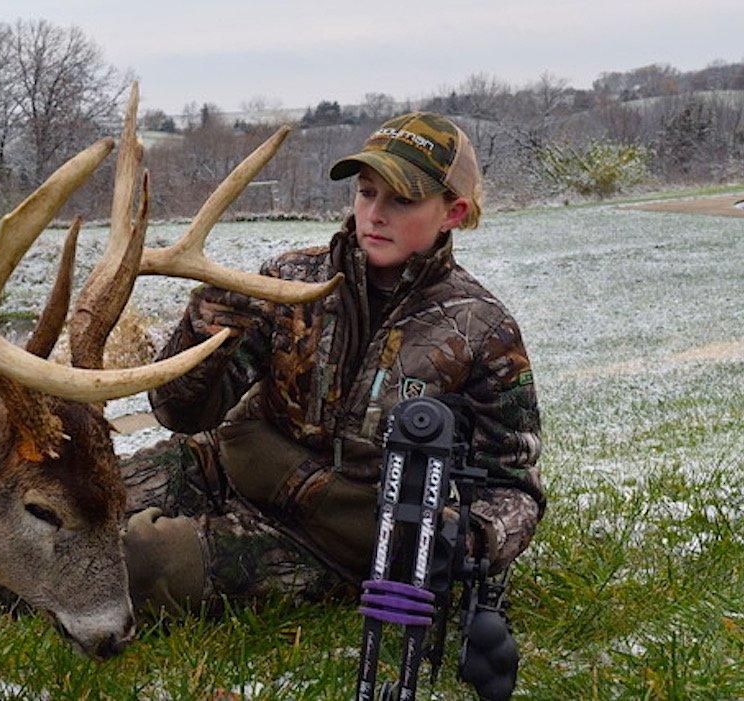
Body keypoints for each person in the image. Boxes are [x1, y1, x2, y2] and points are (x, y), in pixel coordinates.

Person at [120, 112, 544, 615]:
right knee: (65, 507)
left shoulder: (482, 329)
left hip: (324, 538)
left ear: (453, 212)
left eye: (402, 200)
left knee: (136, 564)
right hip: (232, 467)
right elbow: (181, 415)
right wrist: (202, 330)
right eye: (367, 193)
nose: (375, 214)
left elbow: (514, 488)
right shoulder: (288, 280)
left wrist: (463, 542)